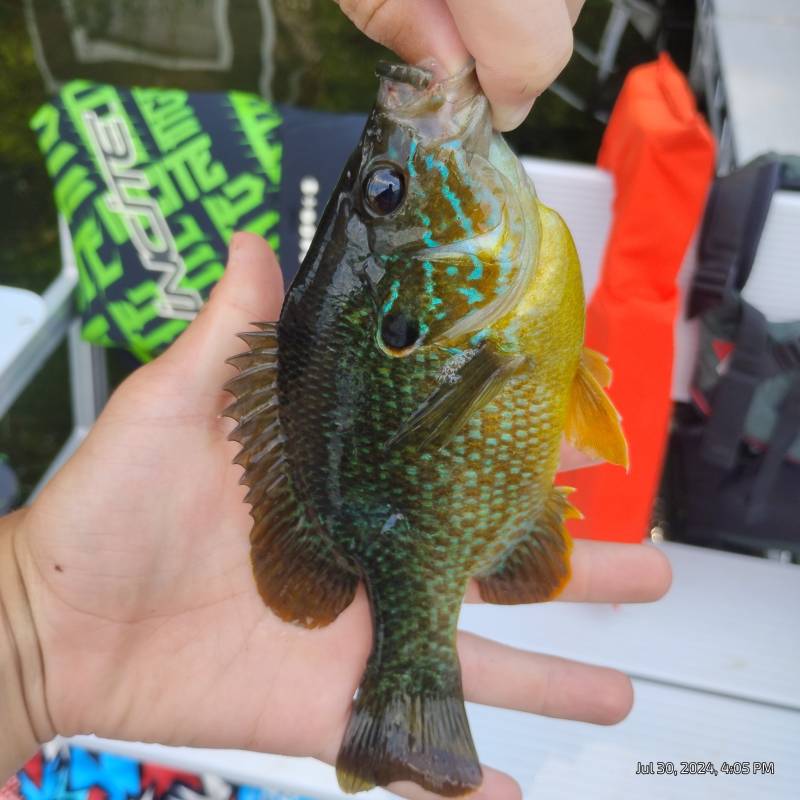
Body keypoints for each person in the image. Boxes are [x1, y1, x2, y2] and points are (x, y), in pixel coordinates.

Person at [0, 4, 672, 798]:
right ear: (408, 312)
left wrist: (34, 637)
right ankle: (410, 688)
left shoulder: (485, 305)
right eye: (385, 191)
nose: (388, 177)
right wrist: (25, 637)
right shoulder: (493, 304)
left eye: (383, 187)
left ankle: (401, 715)